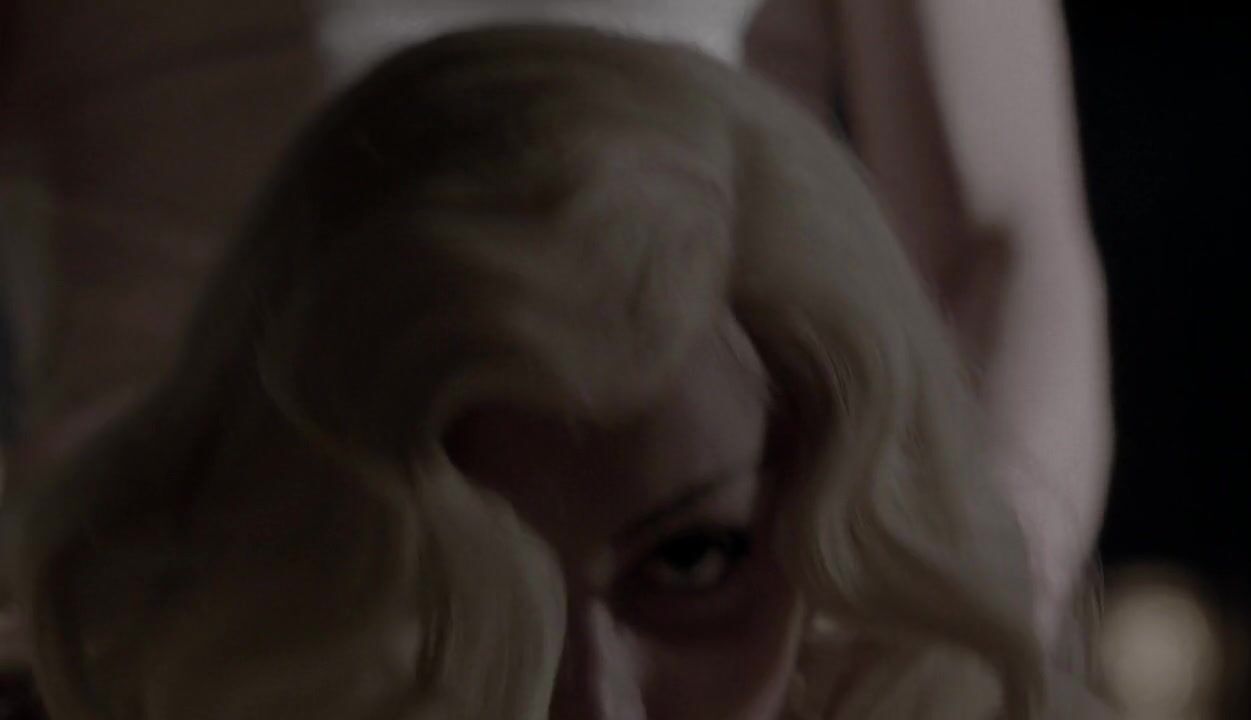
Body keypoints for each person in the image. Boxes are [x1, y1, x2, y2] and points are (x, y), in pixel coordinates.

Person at [5, 26, 1109, 719]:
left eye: (693, 563)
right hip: (227, 599)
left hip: (719, 370)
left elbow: (1005, 241)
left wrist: (938, 658)